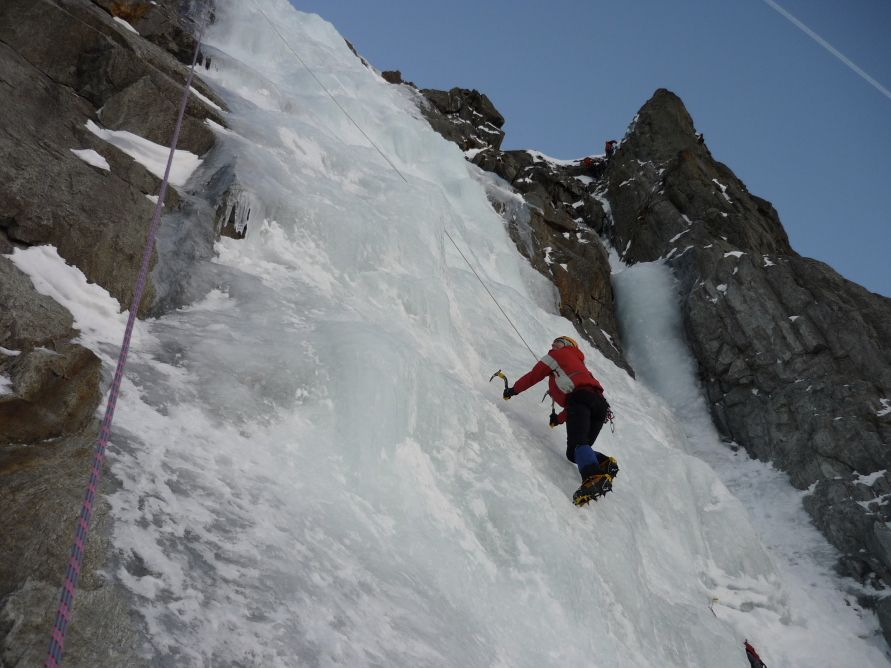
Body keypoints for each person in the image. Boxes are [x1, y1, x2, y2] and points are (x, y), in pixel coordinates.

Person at [503, 336, 617, 505]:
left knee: (579, 444)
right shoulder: (580, 366)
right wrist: (558, 419)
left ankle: (593, 477)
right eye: (554, 342)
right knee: (575, 452)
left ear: (568, 346)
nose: (553, 344)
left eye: (559, 341)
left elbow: (534, 376)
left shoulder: (557, 355)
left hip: (581, 400)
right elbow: (579, 400)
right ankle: (604, 463)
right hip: (599, 407)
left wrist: (513, 390)